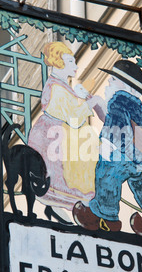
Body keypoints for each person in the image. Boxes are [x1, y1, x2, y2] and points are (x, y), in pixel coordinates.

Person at [73, 59, 142, 238]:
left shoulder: (117, 100)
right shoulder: (140, 107)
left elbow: (117, 130)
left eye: (113, 80)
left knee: (107, 176)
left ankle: (105, 217)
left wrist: (107, 148)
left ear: (125, 85)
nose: (108, 83)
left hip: (123, 156)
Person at [28, 41, 105, 213]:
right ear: (59, 61)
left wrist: (82, 96)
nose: (76, 66)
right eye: (71, 62)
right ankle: (74, 197)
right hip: (56, 135)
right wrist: (91, 103)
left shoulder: (61, 86)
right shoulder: (55, 87)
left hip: (64, 131)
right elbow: (72, 117)